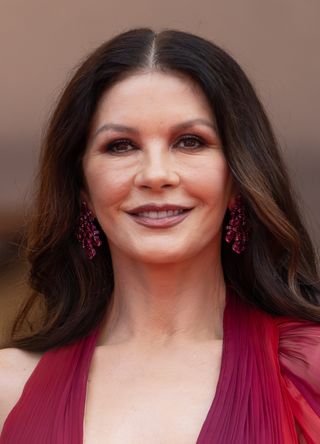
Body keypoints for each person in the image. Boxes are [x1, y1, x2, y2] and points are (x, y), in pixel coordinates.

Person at [0, 27, 319, 444]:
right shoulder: (9, 388)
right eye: (120, 146)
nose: (155, 174)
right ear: (82, 188)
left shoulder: (308, 368)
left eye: (190, 141)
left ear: (238, 180)